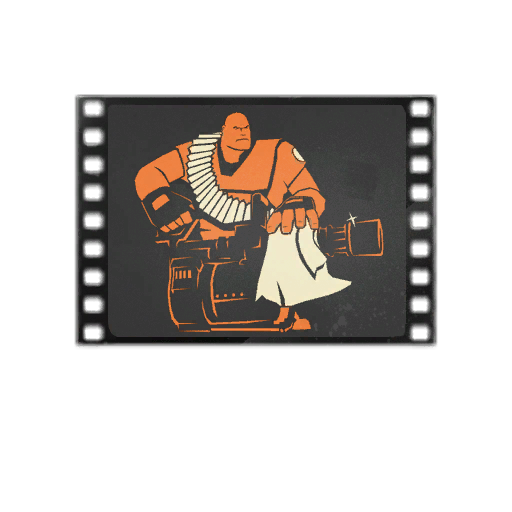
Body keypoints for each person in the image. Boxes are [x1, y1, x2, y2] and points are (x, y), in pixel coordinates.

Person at [135, 112, 349, 330]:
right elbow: (148, 174)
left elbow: (310, 192)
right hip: (204, 265)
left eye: (246, 127)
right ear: (222, 130)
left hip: (264, 257)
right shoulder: (197, 153)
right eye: (236, 128)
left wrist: (300, 203)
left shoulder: (279, 152)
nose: (243, 132)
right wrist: (162, 203)